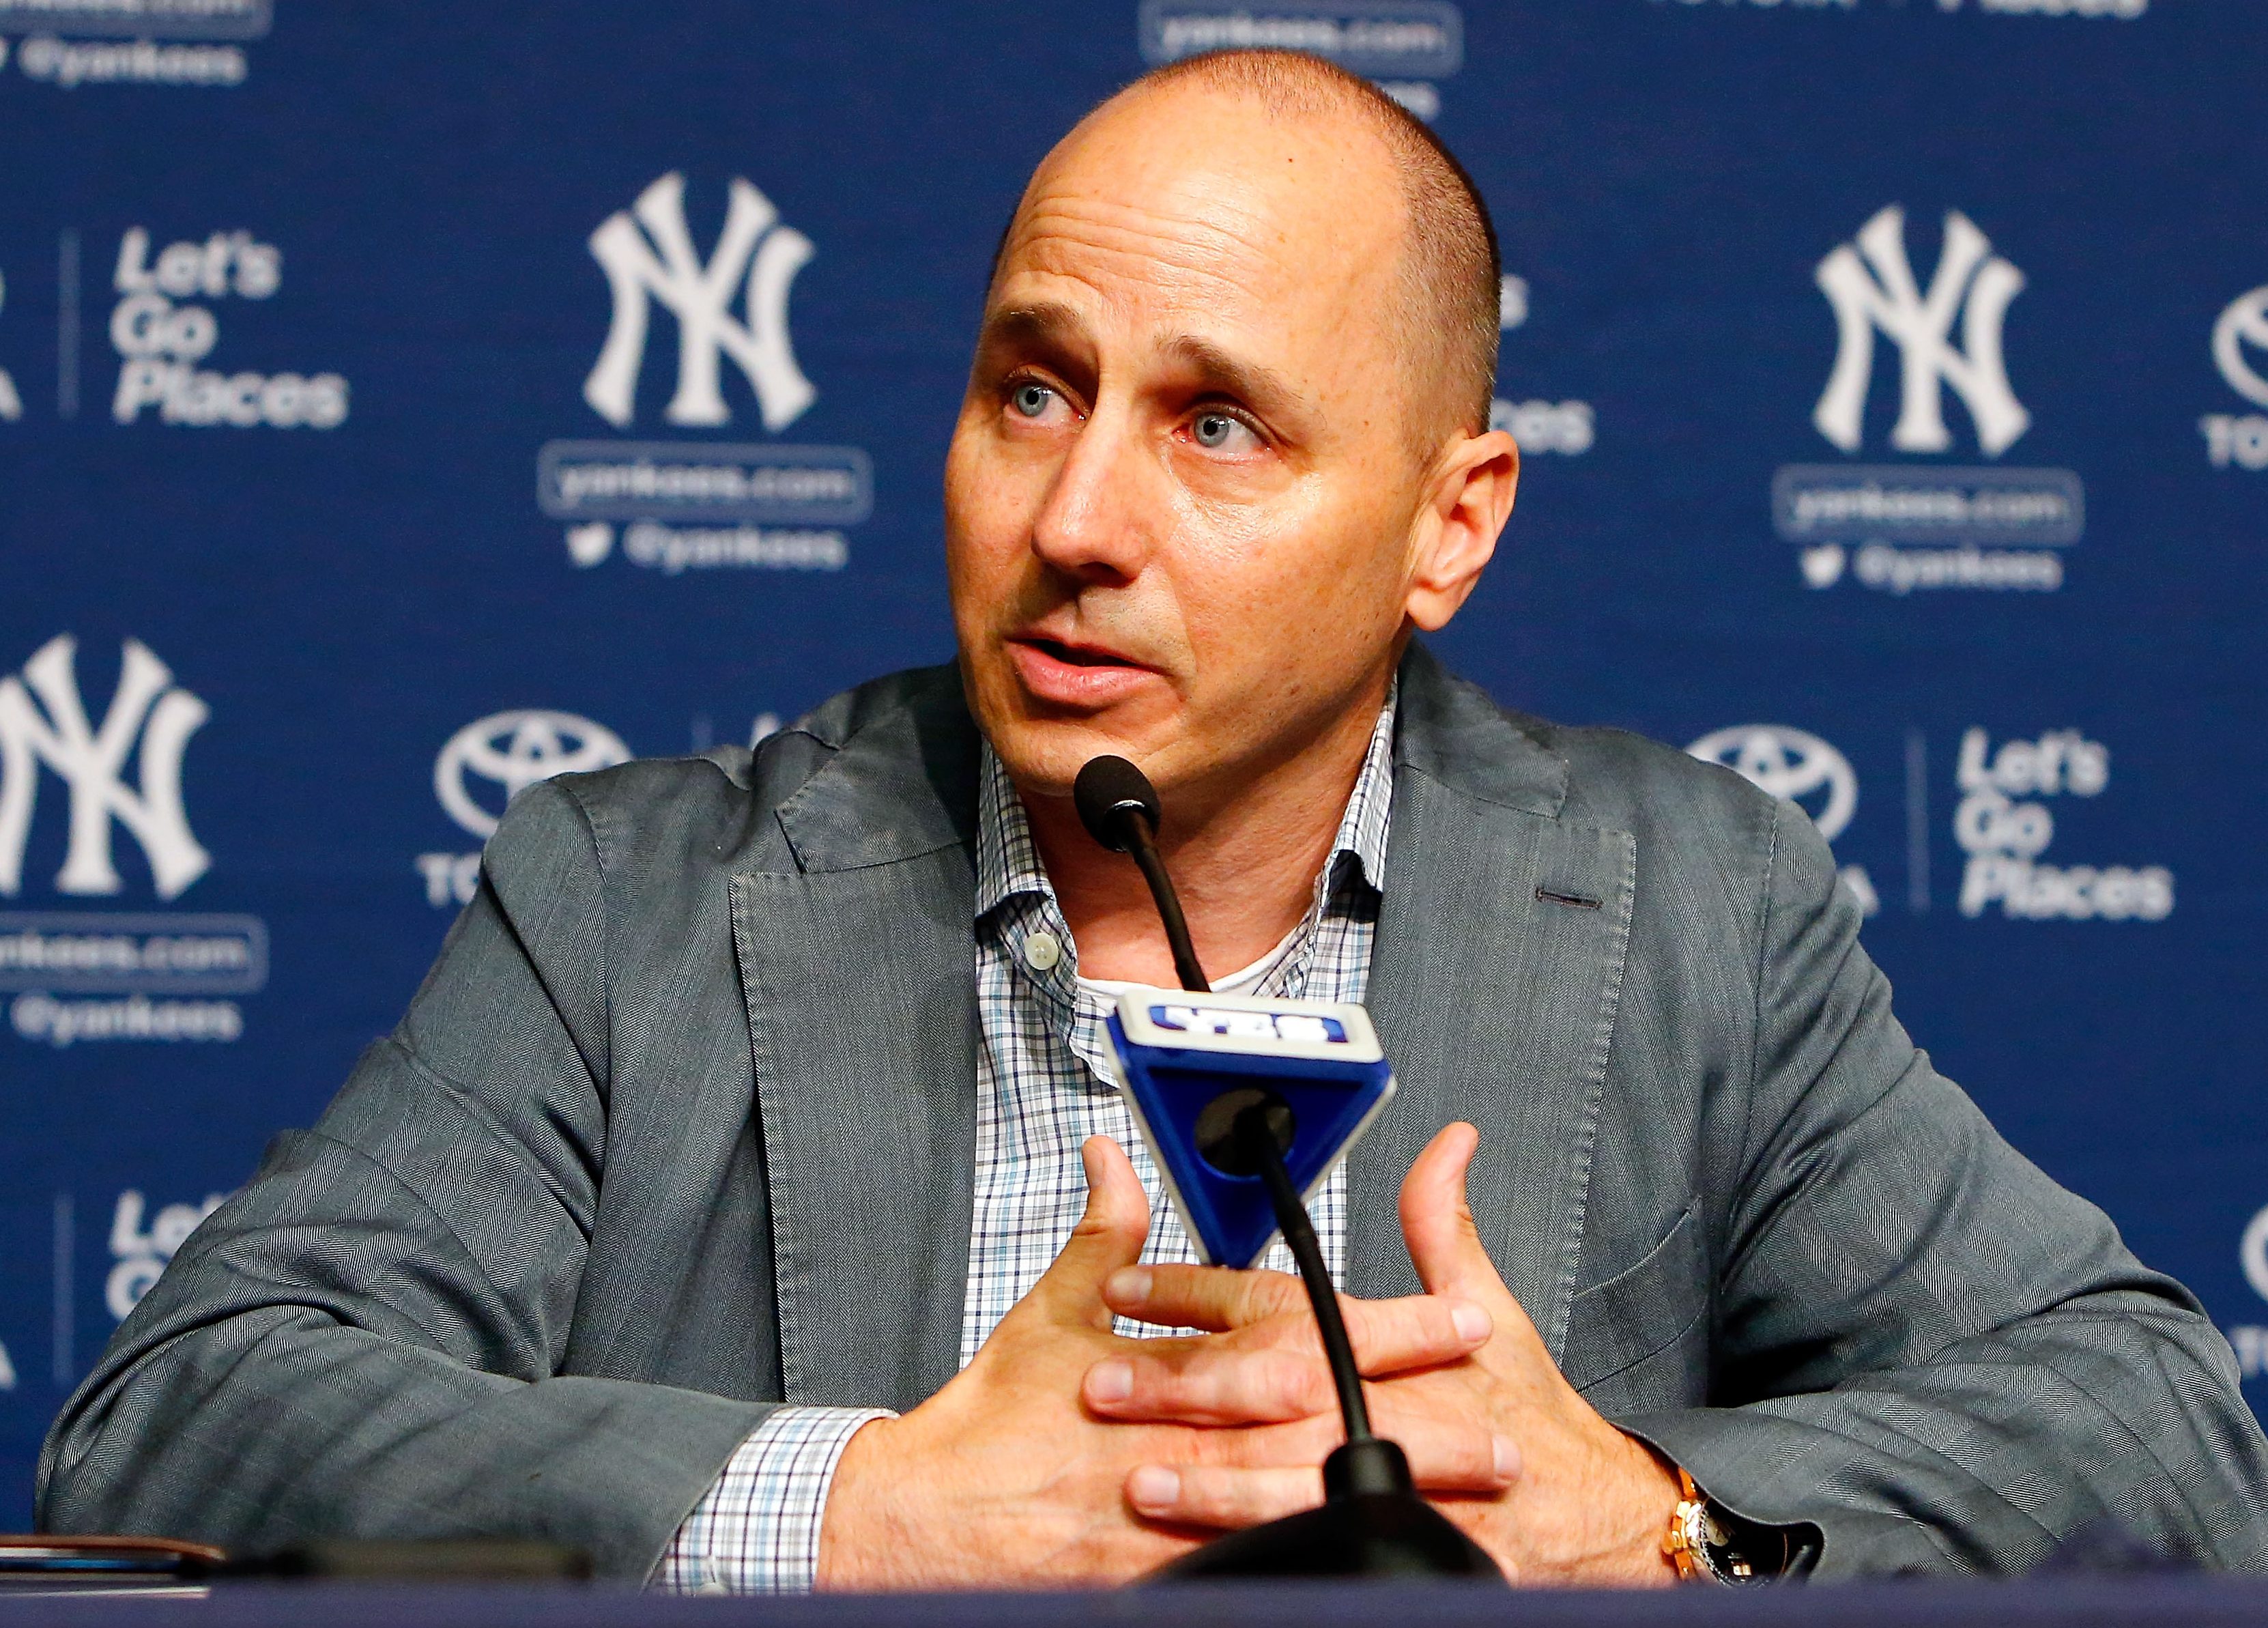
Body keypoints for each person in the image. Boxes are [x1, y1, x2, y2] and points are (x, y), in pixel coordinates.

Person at [38, 48, 2268, 1588]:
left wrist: (1638, 1506)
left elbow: (2163, 1427)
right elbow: (180, 1417)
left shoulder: (1694, 904)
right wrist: (861, 1511)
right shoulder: (631, 893)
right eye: (1031, 386)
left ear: (1444, 524)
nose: (1073, 516)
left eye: (1217, 427)